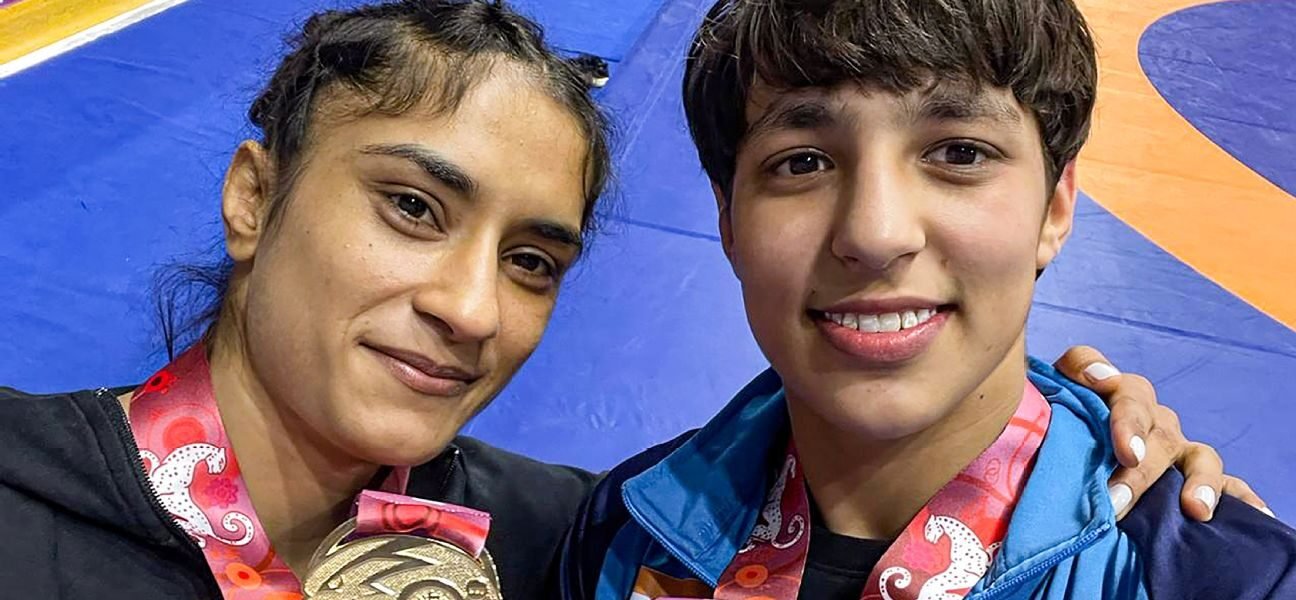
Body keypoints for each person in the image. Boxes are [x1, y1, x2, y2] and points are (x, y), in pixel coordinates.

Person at [0, 1, 1269, 599]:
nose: (469, 307)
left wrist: (1151, 486)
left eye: (533, 261)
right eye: (412, 207)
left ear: (1058, 210)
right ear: (251, 197)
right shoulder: (624, 542)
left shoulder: (566, 535)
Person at [557, 0, 1296, 598]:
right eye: (803, 162)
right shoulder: (623, 538)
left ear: (1056, 209)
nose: (875, 233)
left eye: (960, 153)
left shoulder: (1225, 577)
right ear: (728, 221)